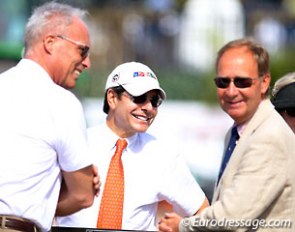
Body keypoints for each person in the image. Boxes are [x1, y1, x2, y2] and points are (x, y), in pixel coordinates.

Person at [158, 38, 295, 232]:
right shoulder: (240, 130)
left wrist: (182, 226)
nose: (231, 91)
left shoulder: (268, 137)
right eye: (223, 82)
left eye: (242, 82)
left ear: (264, 83)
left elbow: (232, 218)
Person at [55, 61, 209, 231]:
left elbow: (201, 211)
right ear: (112, 98)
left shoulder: (163, 154)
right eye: (139, 98)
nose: (149, 107)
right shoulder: (77, 142)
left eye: (155, 101)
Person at [0, 2, 100, 232]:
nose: (87, 62)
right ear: (50, 42)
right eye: (82, 50)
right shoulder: (61, 103)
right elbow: (83, 195)